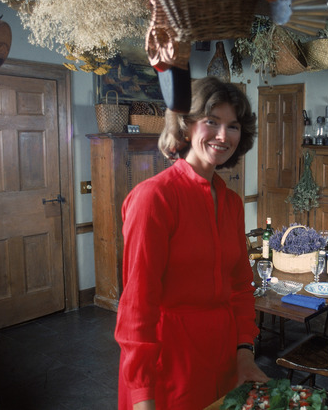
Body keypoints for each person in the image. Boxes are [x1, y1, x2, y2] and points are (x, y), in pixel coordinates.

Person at [115, 77, 269, 409]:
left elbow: (241, 286)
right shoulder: (154, 198)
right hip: (170, 364)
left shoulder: (231, 203)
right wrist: (142, 396)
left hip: (225, 358)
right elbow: (136, 306)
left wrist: (244, 351)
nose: (222, 135)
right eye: (211, 122)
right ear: (187, 126)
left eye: (233, 126)